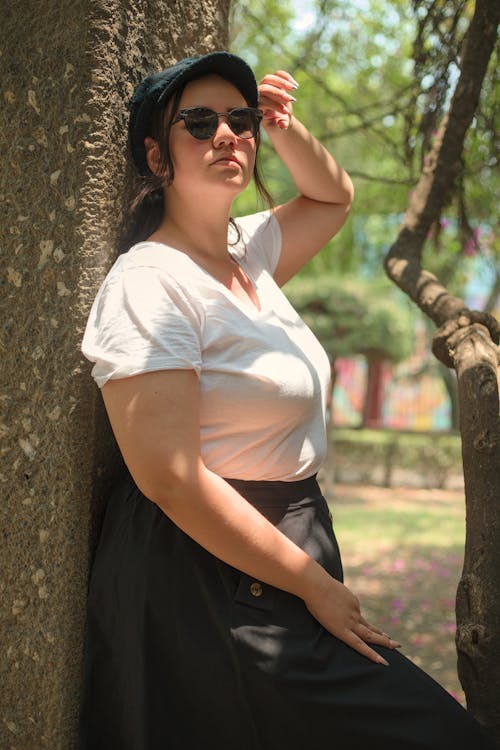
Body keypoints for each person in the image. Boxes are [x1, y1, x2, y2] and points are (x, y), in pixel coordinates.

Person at [80, 51, 494, 750]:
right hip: (209, 574)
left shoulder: (248, 253)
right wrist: (313, 585)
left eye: (239, 121)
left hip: (285, 547)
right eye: (200, 122)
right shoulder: (150, 282)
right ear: (157, 155)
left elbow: (333, 198)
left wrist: (285, 127)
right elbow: (170, 478)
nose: (226, 136)